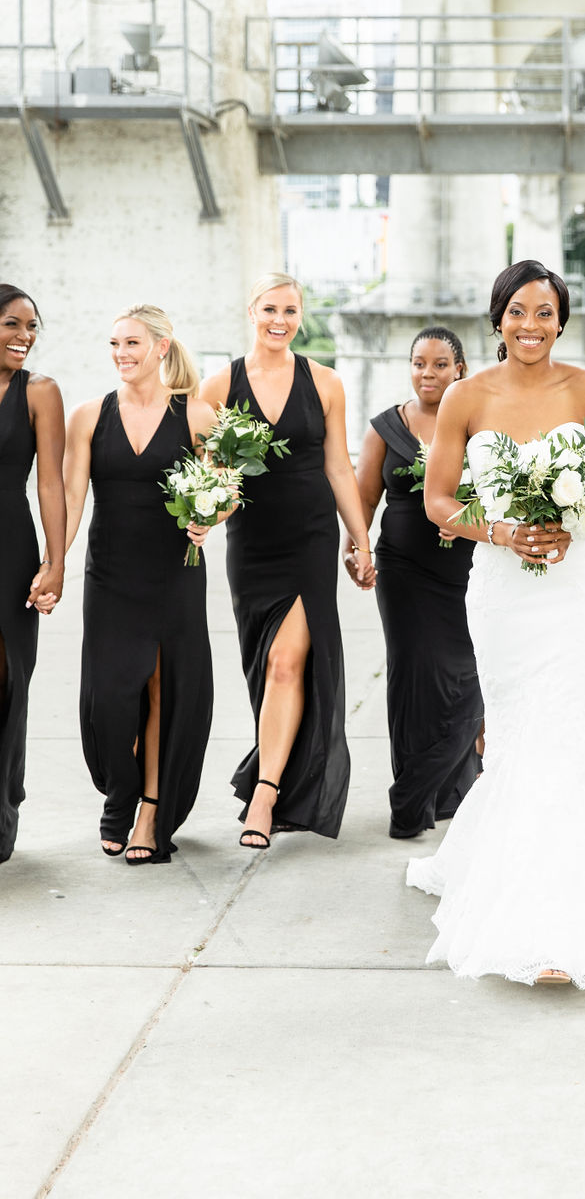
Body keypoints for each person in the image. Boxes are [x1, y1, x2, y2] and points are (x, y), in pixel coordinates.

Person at [408, 258, 585, 991]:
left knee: (563, 725)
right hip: (502, 589)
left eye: (544, 313)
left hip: (573, 588)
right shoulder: (466, 397)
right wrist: (501, 532)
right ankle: (507, 882)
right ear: (497, 318)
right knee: (513, 733)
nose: (530, 326)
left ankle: (564, 918)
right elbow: (439, 502)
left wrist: (580, 517)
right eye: (516, 312)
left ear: (561, 319)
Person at [199, 273, 373, 850]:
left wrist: (360, 536)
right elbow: (214, 476)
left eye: (291, 310)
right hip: (250, 542)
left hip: (310, 537)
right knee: (264, 667)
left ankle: (266, 794)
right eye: (270, 308)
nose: (281, 319)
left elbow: (339, 466)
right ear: (251, 310)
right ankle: (276, 774)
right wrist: (205, 516)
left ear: (302, 316)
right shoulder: (217, 385)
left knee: (286, 663)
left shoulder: (324, 383)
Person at [64, 304, 216, 863]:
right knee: (109, 701)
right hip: (109, 574)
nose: (121, 355)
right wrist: (53, 561)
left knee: (161, 690)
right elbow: (73, 500)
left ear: (161, 346)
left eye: (131, 344)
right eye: (114, 345)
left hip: (174, 570)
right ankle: (121, 790)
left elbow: (222, 491)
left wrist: (210, 517)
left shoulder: (197, 416)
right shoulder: (88, 415)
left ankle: (149, 813)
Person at [348, 326, 483, 840]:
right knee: (412, 680)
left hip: (468, 571)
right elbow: (363, 499)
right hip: (403, 571)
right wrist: (356, 549)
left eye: (440, 365)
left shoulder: (477, 425)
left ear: (459, 369)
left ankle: (451, 791)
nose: (428, 374)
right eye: (419, 363)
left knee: (467, 679)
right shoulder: (385, 428)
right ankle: (413, 799)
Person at [0, 285, 66, 864]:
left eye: (32, 326)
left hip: (10, 549)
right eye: (12, 324)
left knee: (8, 680)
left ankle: (2, 811)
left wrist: (56, 560)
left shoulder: (39, 392)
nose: (25, 335)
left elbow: (50, 481)